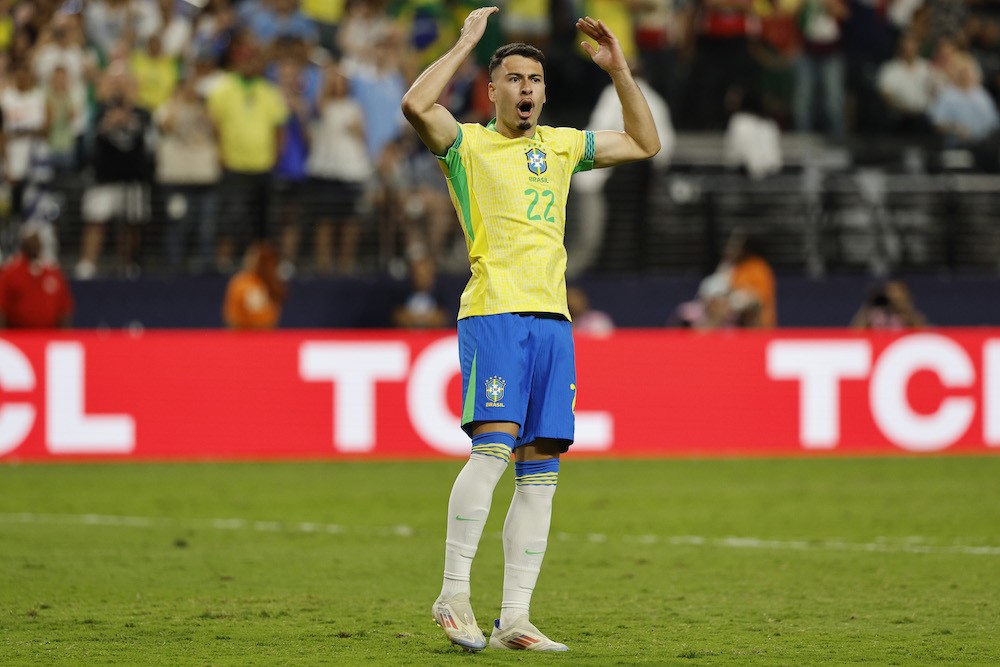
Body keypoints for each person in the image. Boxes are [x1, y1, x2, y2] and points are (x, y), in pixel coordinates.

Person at [401, 7, 660, 652]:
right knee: (492, 451)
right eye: (512, 79)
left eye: (534, 81)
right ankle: (453, 594)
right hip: (494, 312)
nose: (525, 90)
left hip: (553, 322)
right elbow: (414, 102)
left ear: (545, 92)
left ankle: (514, 618)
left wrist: (620, 69)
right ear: (493, 91)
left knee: (541, 470)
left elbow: (646, 142)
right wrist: (465, 43)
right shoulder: (465, 144)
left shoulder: (566, 145)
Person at [0, 227, 73, 329]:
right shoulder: (10, 272)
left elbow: (64, 310)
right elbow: (1, 309)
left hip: (48, 336)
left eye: (37, 239)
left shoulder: (53, 272)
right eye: (31, 239)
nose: (34, 244)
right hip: (18, 335)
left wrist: (65, 338)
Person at [222, 241, 287, 329]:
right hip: (242, 335)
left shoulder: (269, 282)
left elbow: (271, 316)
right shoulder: (241, 282)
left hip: (265, 335)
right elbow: (232, 317)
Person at [851, 279, 926, 329]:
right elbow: (856, 332)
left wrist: (905, 308)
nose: (893, 296)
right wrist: (870, 305)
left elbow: (923, 334)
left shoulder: (909, 315)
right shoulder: (875, 313)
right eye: (890, 291)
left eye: (897, 292)